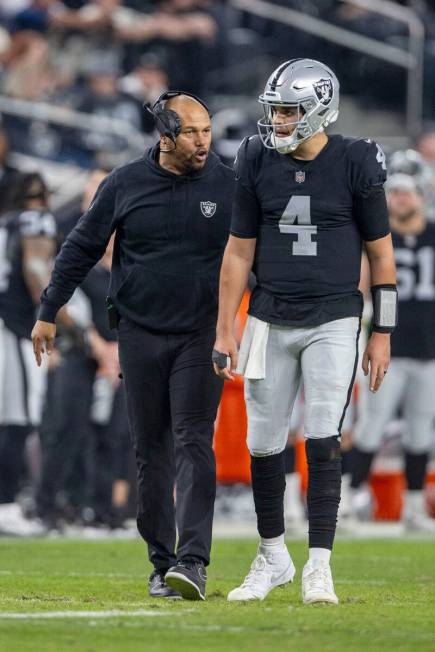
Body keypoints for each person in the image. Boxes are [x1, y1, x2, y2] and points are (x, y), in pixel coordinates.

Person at [31, 91, 234, 600]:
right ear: (165, 134)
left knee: (192, 440)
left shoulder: (229, 183)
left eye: (207, 130)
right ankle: (161, 561)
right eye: (191, 132)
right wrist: (48, 309)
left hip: (201, 333)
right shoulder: (124, 183)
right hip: (138, 333)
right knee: (150, 451)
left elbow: (257, 253)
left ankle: (193, 560)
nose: (203, 141)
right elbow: (79, 248)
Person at [213, 58, 397, 605]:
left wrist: (382, 332)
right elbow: (237, 252)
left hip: (335, 318)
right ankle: (272, 557)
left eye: (289, 111)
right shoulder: (255, 157)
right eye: (274, 111)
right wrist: (226, 327)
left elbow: (381, 256)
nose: (279, 122)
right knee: (262, 444)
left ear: (319, 108)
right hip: (268, 315)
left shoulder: (357, 160)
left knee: (322, 439)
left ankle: (320, 563)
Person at [350, 173, 435, 531]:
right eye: (395, 193)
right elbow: (361, 284)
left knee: (420, 432)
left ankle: (414, 507)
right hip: (389, 347)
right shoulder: (378, 232)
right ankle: (351, 498)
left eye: (406, 193)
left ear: (421, 195)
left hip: (430, 350)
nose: (399, 200)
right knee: (370, 427)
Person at [0, 172, 57, 522]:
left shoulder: (6, 223)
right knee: (18, 420)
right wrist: (57, 319)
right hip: (15, 328)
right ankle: (6, 504)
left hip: (7, 325)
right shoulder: (34, 221)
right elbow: (36, 270)